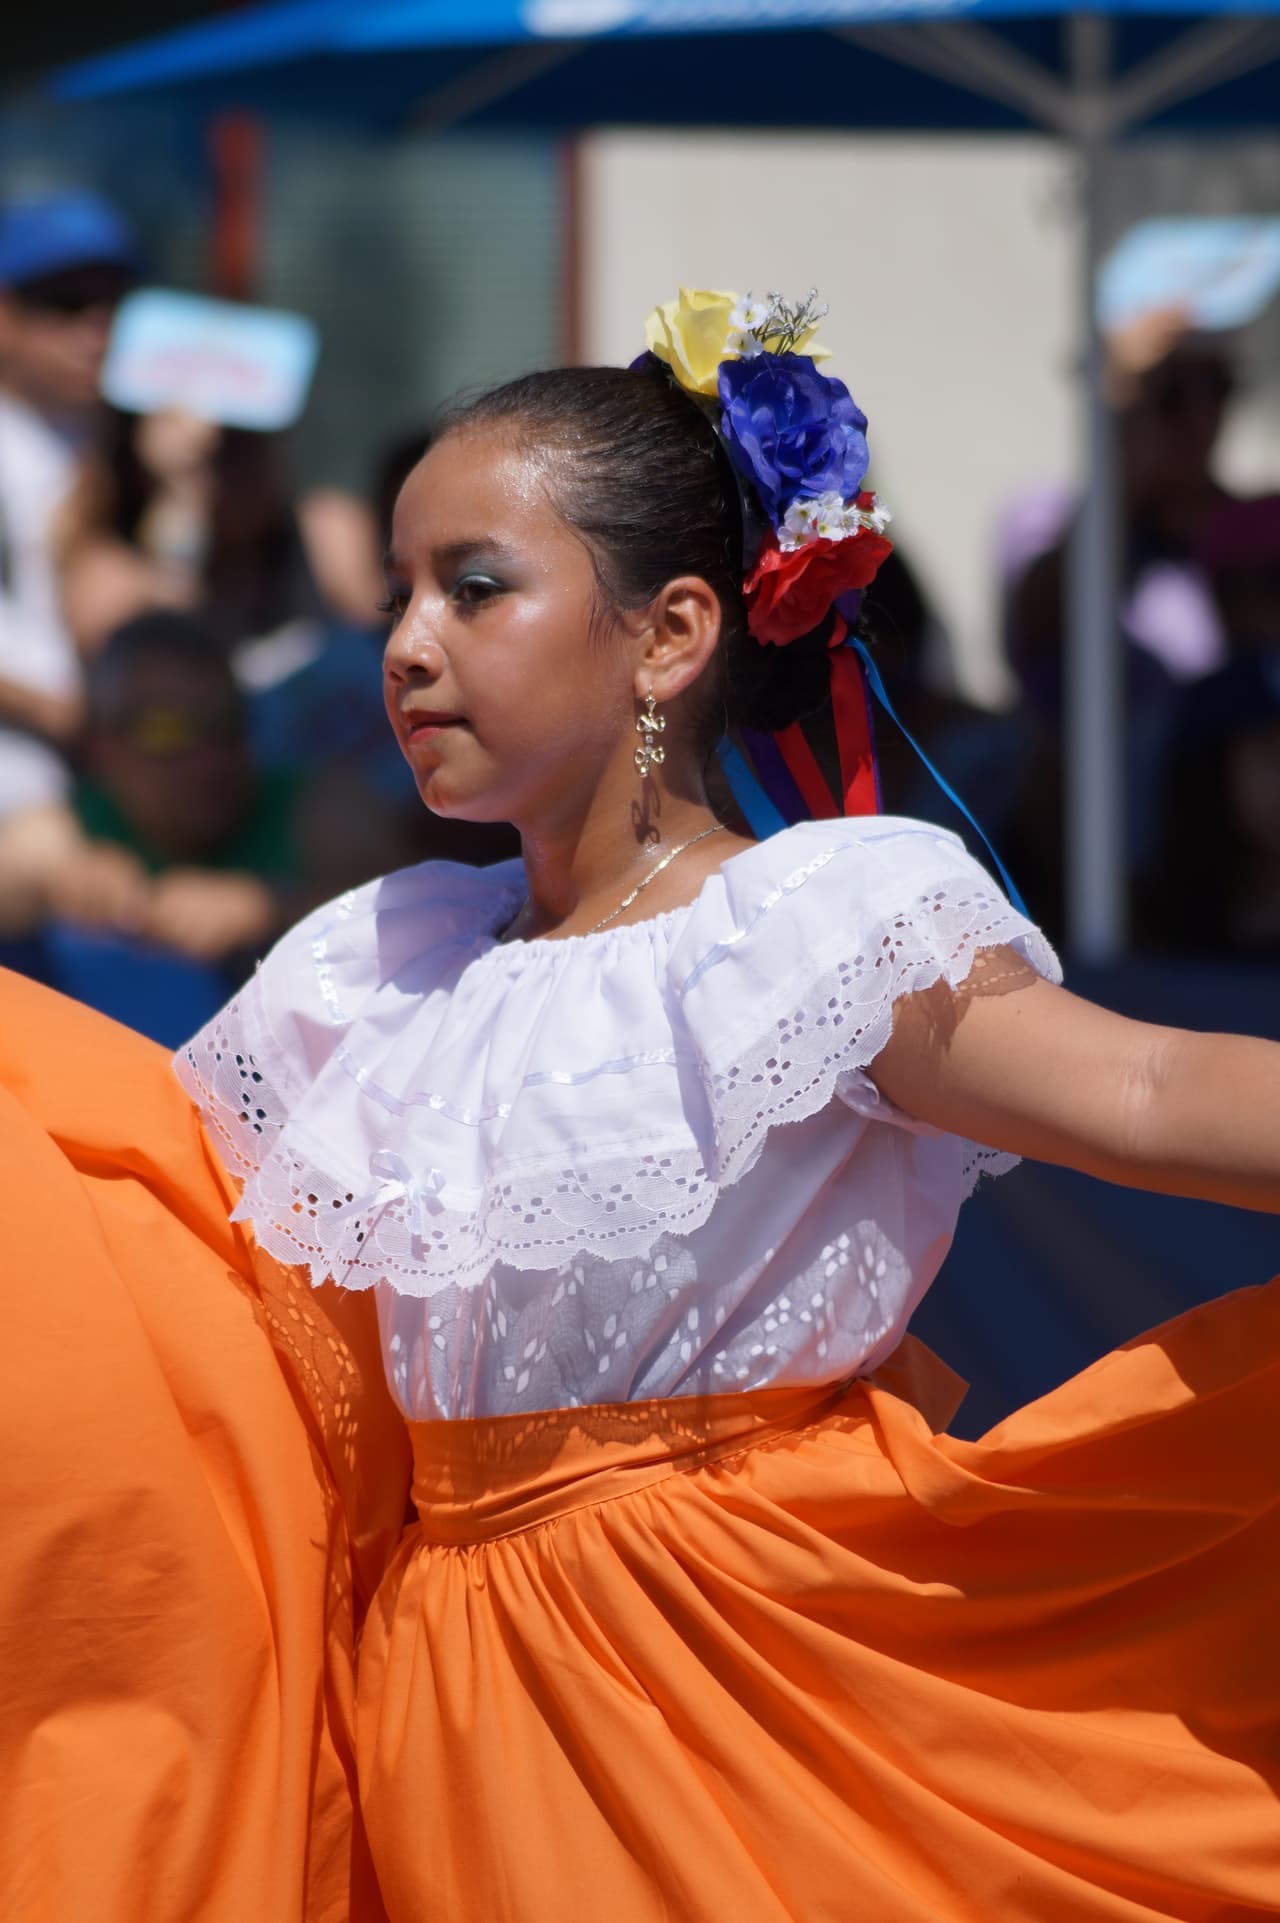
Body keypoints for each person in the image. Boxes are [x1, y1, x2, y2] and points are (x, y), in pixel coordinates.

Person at [3, 286, 1278, 1922]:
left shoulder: (803, 929)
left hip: (771, 1662)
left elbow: (1154, 1084)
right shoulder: (365, 973)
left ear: (672, 632)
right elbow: (144, 1243)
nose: (405, 642)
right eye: (399, 590)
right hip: (441, 1703)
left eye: (473, 589)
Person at [0, 189, 137, 840]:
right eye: (65, 302)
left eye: (112, 301)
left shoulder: (125, 438)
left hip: (103, 788)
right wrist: (59, 712)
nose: (96, 326)